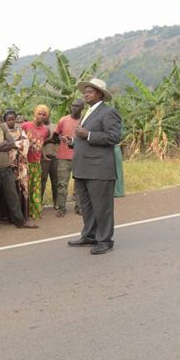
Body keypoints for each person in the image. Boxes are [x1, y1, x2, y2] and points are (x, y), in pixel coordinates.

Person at [68, 78, 122, 255]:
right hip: (83, 168)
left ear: (100, 94)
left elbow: (114, 137)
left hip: (99, 169)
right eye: (85, 91)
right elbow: (83, 138)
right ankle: (90, 235)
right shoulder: (89, 112)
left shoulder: (108, 112)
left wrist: (88, 134)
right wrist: (73, 142)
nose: (86, 93)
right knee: (87, 205)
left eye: (90, 91)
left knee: (102, 206)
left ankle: (105, 240)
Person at [0, 106, 38, 236]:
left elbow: (11, 143)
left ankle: (20, 222)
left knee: (13, 196)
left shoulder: (2, 127)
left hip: (6, 167)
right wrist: (1, 145)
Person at [55, 99, 84, 217]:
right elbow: (55, 136)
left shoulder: (85, 121)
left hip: (80, 157)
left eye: (77, 106)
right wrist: (61, 140)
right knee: (62, 184)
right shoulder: (63, 120)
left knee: (80, 184)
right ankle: (61, 208)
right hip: (63, 157)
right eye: (73, 106)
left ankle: (79, 207)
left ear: (82, 108)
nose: (74, 108)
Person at [21, 105, 52, 219]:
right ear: (35, 113)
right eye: (39, 113)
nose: (41, 116)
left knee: (36, 188)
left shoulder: (45, 130)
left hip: (36, 163)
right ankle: (24, 212)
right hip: (25, 163)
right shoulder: (25, 126)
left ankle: (35, 211)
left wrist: (43, 156)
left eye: (44, 114)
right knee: (25, 188)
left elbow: (42, 144)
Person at [4, 109, 30, 221]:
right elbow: (2, 145)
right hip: (8, 164)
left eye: (12, 119)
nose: (11, 121)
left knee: (21, 186)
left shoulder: (20, 130)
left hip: (21, 164)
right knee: (10, 188)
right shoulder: (3, 131)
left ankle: (22, 215)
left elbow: (26, 143)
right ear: (5, 120)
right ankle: (10, 216)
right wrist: (14, 145)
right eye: (8, 120)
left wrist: (12, 145)